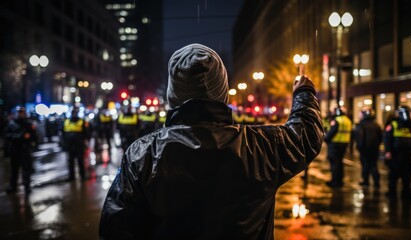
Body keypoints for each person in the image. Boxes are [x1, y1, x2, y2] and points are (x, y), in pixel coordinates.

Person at [99, 43, 324, 239]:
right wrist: (303, 91)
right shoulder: (261, 146)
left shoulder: (142, 154)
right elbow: (306, 134)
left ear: (173, 93)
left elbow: (116, 228)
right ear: (222, 90)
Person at [383, 105, 411, 200]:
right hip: (396, 154)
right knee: (394, 175)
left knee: (407, 176)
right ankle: (392, 193)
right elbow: (387, 139)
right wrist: (387, 151)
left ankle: (406, 193)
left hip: (408, 155)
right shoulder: (393, 125)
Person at [3, 107, 37, 194]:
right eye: (20, 112)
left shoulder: (28, 124)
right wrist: (19, 137)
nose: (22, 114)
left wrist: (31, 140)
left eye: (23, 112)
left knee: (26, 169)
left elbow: (34, 136)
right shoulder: (12, 124)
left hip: (25, 150)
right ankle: (13, 186)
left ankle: (27, 186)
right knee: (14, 169)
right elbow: (7, 135)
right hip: (15, 150)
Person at [324, 106, 352, 187]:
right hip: (344, 144)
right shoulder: (347, 120)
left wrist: (325, 139)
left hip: (335, 144)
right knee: (340, 162)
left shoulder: (336, 120)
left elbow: (331, 132)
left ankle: (335, 181)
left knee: (334, 163)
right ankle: (340, 180)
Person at [354, 107, 382, 188]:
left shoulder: (361, 125)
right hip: (375, 149)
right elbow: (381, 137)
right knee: (374, 165)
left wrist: (359, 147)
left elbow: (359, 138)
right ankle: (376, 183)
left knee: (365, 165)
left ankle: (366, 181)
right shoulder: (376, 124)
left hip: (364, 149)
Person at [62, 107, 90, 181]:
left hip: (79, 145)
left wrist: (86, 142)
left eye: (75, 113)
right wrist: (64, 143)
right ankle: (72, 177)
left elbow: (86, 133)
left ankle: (82, 176)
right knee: (71, 161)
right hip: (70, 145)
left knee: (80, 160)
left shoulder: (82, 121)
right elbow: (63, 133)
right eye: (73, 113)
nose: (74, 114)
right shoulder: (66, 121)